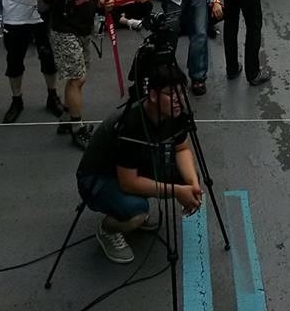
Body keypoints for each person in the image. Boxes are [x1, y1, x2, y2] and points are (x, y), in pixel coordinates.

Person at [76, 63, 202, 265]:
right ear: (152, 95)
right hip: (97, 178)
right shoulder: (132, 123)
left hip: (132, 166)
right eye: (171, 94)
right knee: (137, 211)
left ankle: (127, 211)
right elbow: (128, 183)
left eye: (181, 91)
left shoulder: (175, 112)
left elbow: (182, 148)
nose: (178, 99)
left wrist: (192, 184)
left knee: (182, 174)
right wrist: (178, 192)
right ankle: (108, 229)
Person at [43, 0, 110, 150]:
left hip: (84, 28)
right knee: (77, 78)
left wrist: (104, 1)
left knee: (78, 78)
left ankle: (65, 119)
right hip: (64, 30)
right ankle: (76, 126)